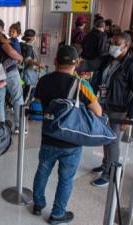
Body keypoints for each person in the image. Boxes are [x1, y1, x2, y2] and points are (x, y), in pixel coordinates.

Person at [32, 45, 102, 224]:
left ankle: (38, 204)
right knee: (66, 179)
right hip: (71, 142)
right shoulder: (81, 85)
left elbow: (38, 101)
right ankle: (57, 214)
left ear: (56, 61)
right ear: (77, 63)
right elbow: (98, 112)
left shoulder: (44, 80)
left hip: (48, 136)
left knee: (42, 171)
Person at [89, 32, 133, 187]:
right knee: (106, 138)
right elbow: (94, 67)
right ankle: (106, 164)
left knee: (113, 141)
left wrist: (129, 117)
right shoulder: (109, 60)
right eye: (112, 42)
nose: (112, 46)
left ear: (126, 45)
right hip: (104, 104)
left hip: (119, 110)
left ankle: (110, 173)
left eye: (116, 43)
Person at [0, 18, 23, 123]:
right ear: (1, 28)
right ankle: (19, 125)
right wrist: (20, 58)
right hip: (10, 71)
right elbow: (9, 51)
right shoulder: (0, 37)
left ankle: (1, 127)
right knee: (17, 99)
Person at [21, 29, 46, 101]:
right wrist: (39, 64)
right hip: (27, 74)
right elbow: (28, 60)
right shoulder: (28, 47)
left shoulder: (22, 45)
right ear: (32, 38)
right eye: (34, 36)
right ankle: (23, 110)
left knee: (22, 91)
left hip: (21, 73)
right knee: (27, 94)